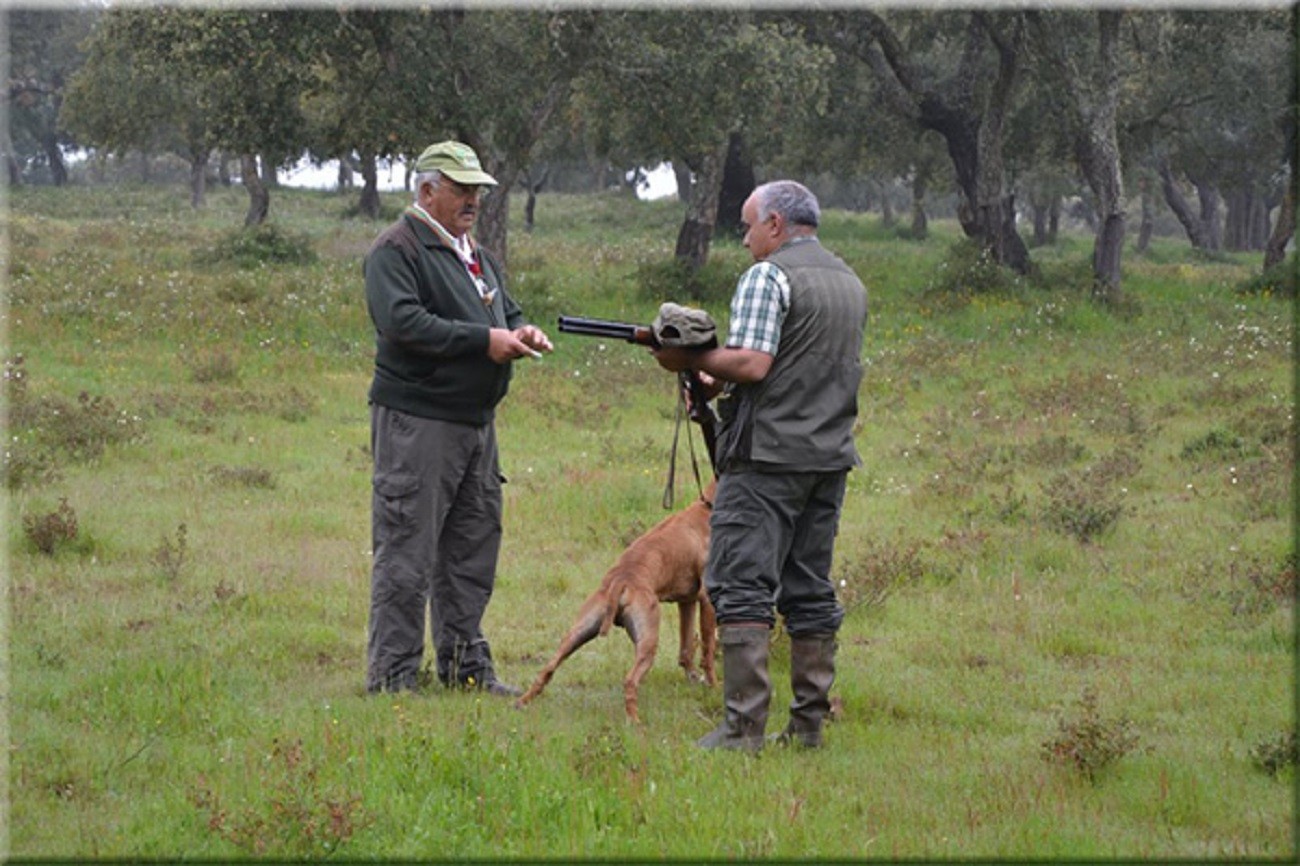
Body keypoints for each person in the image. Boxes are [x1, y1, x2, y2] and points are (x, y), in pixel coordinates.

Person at [652, 180, 868, 750]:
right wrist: (712, 375)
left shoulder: (768, 275)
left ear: (775, 223)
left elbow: (753, 361)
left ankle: (741, 729)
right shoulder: (848, 280)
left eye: (748, 226)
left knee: (739, 586)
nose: (745, 239)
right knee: (809, 588)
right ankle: (808, 729)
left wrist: (689, 356)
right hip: (827, 457)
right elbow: (794, 362)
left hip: (766, 459)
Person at [363, 140, 552, 696]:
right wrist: (482, 342)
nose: (473, 200)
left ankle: (465, 670)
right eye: (461, 189)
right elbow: (402, 323)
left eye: (476, 190)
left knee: (472, 547)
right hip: (419, 422)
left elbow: (505, 311)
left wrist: (521, 332)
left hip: (475, 423)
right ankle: (393, 679)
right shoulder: (397, 249)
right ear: (427, 190)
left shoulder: (474, 251)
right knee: (407, 553)